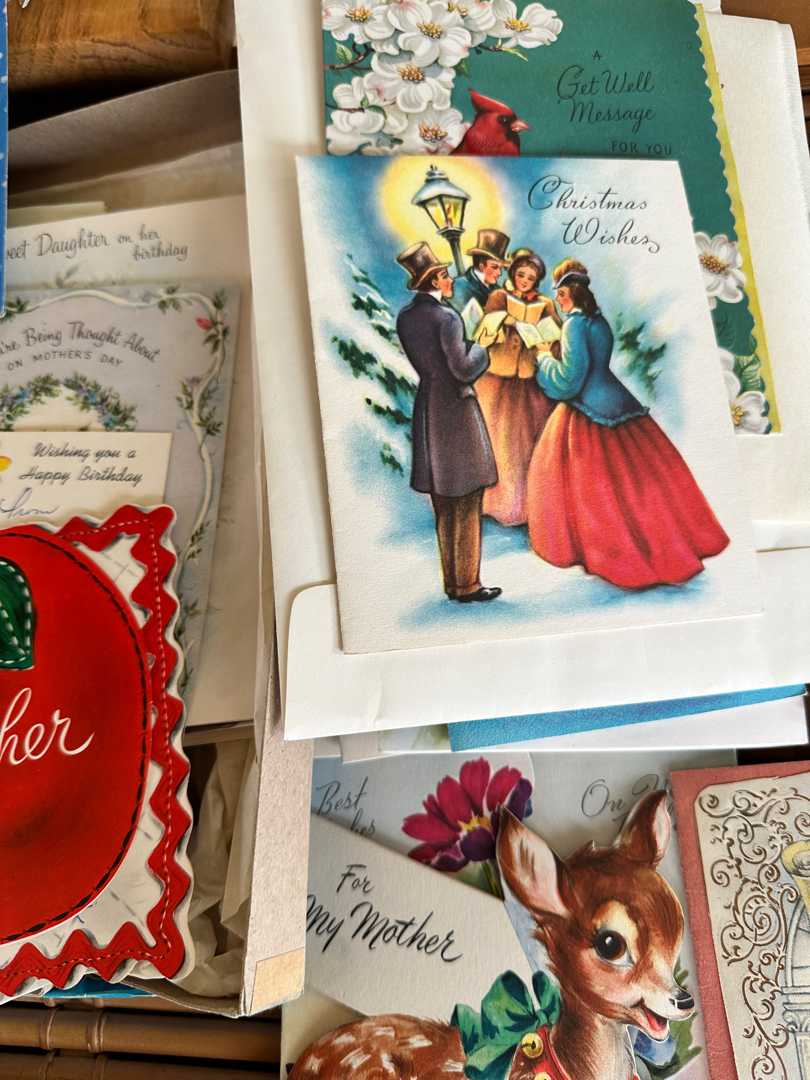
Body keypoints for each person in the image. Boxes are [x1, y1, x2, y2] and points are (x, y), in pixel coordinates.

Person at [526, 259, 730, 588]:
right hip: (617, 399)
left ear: (573, 293)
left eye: (561, 294)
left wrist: (544, 358)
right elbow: (594, 363)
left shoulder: (573, 325)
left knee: (592, 488)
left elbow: (569, 381)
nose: (558, 300)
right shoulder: (598, 320)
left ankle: (613, 553)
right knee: (638, 482)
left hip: (587, 409)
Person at [395, 241, 502, 603]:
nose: (451, 280)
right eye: (444, 275)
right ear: (434, 280)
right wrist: (483, 344)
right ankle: (468, 585)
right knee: (468, 500)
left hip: (429, 408)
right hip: (455, 410)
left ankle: (453, 584)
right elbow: (463, 369)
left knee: (443, 501)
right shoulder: (448, 318)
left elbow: (436, 362)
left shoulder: (407, 317)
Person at [476, 249, 560, 526]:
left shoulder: (545, 303)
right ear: (513, 274)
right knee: (495, 438)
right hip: (496, 375)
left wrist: (543, 339)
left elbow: (556, 337)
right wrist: (506, 322)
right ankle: (489, 502)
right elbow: (484, 330)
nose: (524, 281)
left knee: (523, 444)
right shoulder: (499, 297)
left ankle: (521, 507)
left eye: (530, 278)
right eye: (521, 275)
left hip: (527, 378)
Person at [451, 229, 510, 313]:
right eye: (494, 267)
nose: (499, 273)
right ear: (481, 266)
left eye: (500, 268)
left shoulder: (497, 289)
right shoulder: (458, 287)